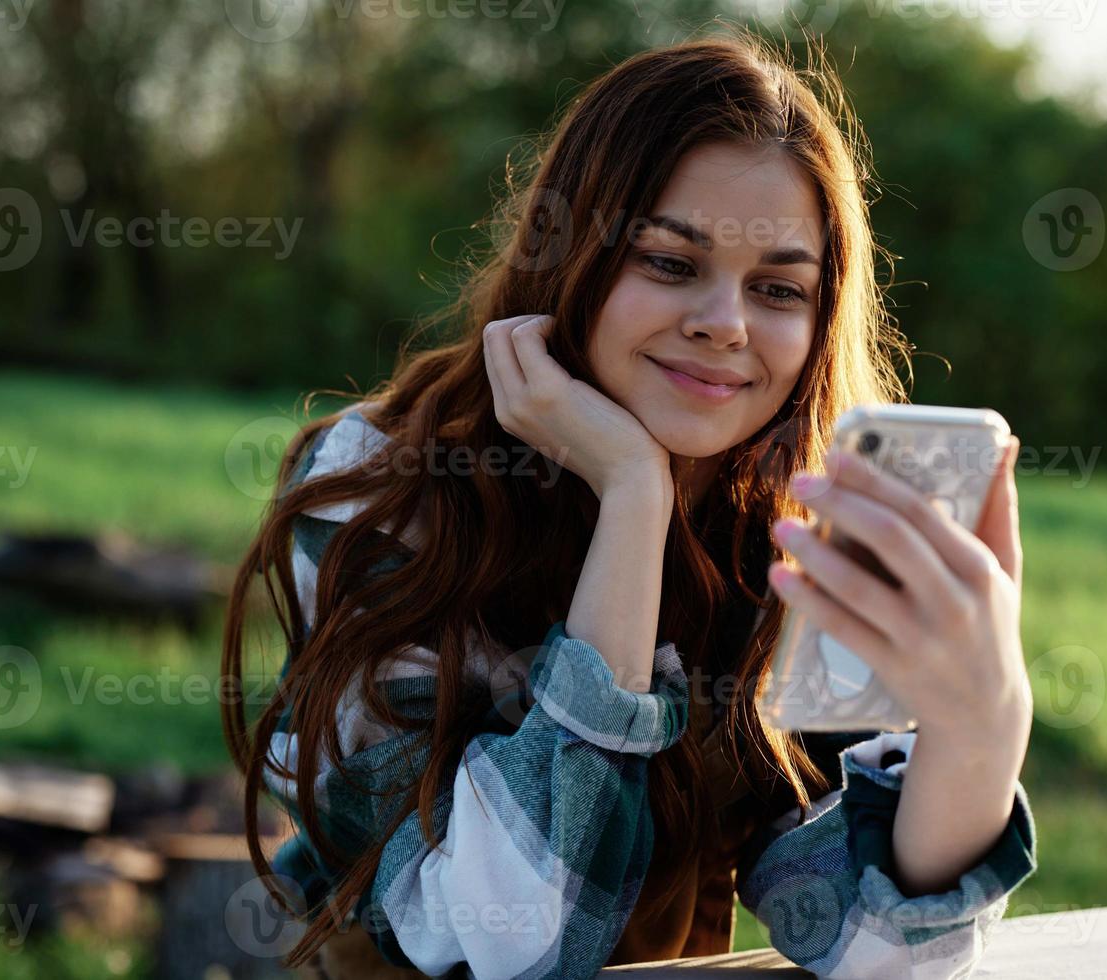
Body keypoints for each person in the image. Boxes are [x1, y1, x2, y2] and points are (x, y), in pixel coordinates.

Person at [221, 26, 1037, 980]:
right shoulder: (388, 486)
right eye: (669, 262)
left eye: (778, 287)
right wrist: (634, 500)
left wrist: (981, 724)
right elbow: (508, 943)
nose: (725, 325)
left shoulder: (794, 525)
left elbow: (880, 955)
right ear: (570, 257)